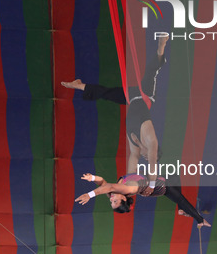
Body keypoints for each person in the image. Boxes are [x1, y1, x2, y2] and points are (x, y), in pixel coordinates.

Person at [61, 37, 168, 194]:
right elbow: (152, 162)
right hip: (145, 94)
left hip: (131, 99)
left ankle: (79, 85)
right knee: (152, 71)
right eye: (148, 156)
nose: (145, 157)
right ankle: (161, 47)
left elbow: (133, 162)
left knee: (107, 93)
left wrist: (128, 186)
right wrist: (151, 187)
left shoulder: (136, 147)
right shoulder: (152, 141)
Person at [75, 172, 211, 227]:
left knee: (175, 176)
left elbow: (103, 183)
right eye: (114, 202)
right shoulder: (127, 189)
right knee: (181, 200)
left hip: (157, 181)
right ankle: (200, 220)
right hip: (161, 187)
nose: (111, 199)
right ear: (123, 198)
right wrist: (90, 195)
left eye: (111, 202)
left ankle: (181, 210)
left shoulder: (113, 192)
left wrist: (92, 178)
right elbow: (108, 186)